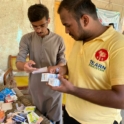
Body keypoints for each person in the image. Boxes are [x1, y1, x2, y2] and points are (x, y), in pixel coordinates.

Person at [47, 0, 124, 124]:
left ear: (85, 20)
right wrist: (63, 69)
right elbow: (78, 66)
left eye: (67, 25)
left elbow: (121, 99)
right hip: (70, 115)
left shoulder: (118, 45)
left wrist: (73, 90)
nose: (66, 31)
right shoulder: (80, 39)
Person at [16, 4, 66, 124]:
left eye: (42, 25)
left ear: (48, 21)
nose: (38, 30)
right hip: (36, 86)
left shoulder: (58, 40)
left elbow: (62, 62)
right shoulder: (26, 39)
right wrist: (24, 66)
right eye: (35, 26)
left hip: (54, 86)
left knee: (54, 119)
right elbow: (19, 62)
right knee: (36, 118)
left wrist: (57, 67)